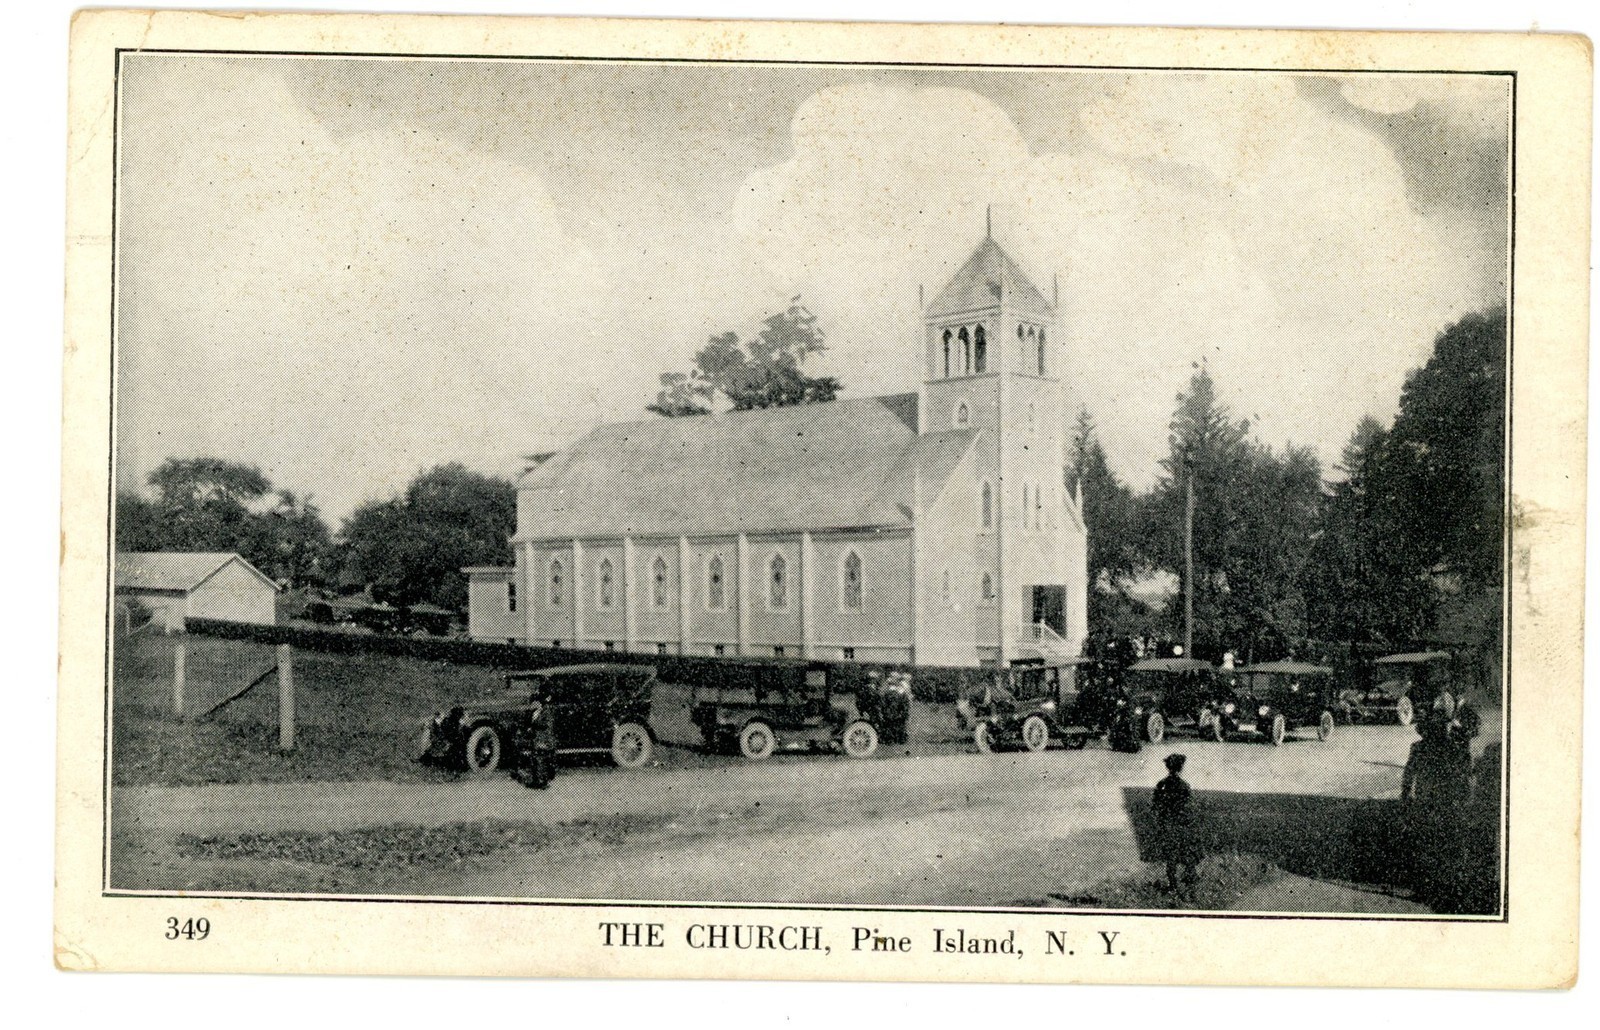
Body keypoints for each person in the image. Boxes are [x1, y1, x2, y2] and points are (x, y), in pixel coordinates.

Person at [1153, 753, 1202, 896]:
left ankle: (1173, 885)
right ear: (1181, 768)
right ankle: (1191, 885)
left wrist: (1161, 821)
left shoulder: (1161, 784)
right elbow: (1189, 808)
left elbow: (1156, 806)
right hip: (1182, 825)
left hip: (1168, 825)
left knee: (1171, 857)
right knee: (1188, 853)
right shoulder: (1184, 786)